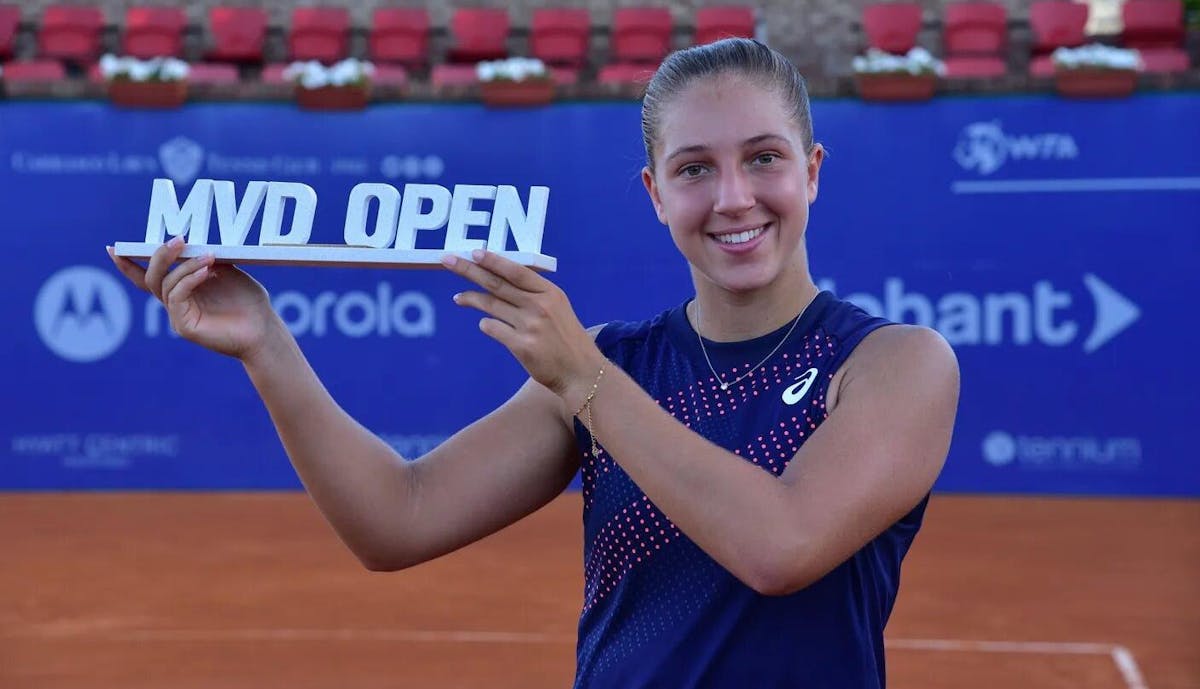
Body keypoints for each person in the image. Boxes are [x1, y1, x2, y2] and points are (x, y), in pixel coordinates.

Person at [108, 37, 958, 689]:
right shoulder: (609, 366)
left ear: (811, 172)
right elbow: (396, 519)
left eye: (764, 158)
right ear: (656, 194)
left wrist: (582, 377)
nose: (734, 197)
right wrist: (264, 341)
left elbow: (784, 544)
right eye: (694, 168)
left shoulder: (893, 363)